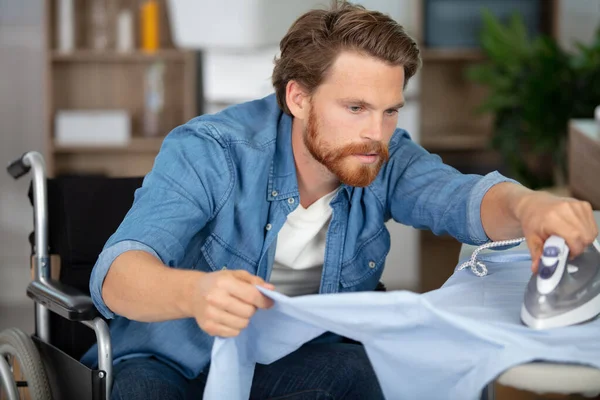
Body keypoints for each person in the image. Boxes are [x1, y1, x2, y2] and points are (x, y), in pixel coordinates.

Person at [81, 1, 598, 399]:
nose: (377, 133)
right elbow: (117, 276)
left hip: (294, 361)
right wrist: (196, 294)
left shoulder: (384, 157)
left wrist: (530, 207)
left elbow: (461, 197)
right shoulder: (210, 151)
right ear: (298, 98)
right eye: (355, 107)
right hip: (173, 359)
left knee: (356, 374)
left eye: (390, 111)